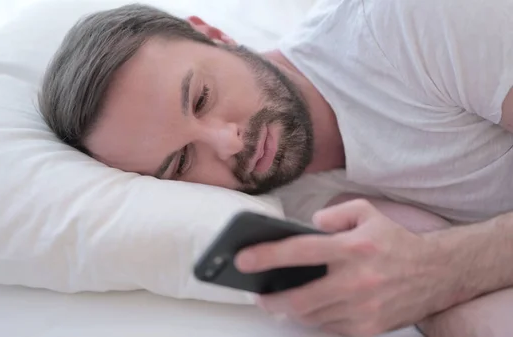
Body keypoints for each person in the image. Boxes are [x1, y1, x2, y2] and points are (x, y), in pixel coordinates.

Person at [38, 0, 513, 336]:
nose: (228, 143)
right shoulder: (294, 206)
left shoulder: (409, 22)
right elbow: (441, 293)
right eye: (182, 161)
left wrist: (442, 269)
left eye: (201, 98)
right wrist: (426, 282)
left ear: (213, 34)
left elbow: (437, 270)